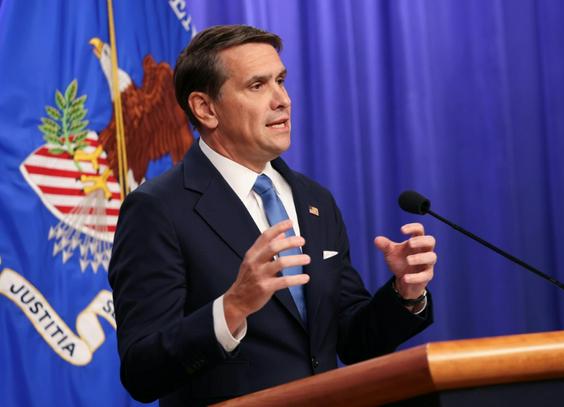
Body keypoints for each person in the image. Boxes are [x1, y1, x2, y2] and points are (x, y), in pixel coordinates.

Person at [108, 24, 437, 406]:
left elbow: (352, 341)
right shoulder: (157, 209)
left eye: (280, 80)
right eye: (257, 86)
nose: (282, 100)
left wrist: (404, 294)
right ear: (205, 108)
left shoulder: (314, 200)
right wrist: (231, 308)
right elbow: (142, 371)